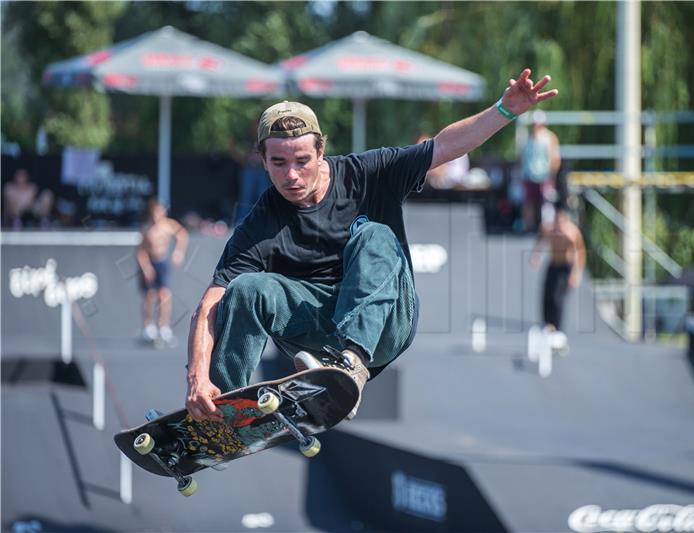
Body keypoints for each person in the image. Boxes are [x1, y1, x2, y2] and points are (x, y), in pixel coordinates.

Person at [185, 68, 558, 422]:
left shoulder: (368, 173)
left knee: (374, 235)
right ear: (263, 160)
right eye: (279, 163)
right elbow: (210, 304)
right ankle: (224, 407)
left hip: (387, 320)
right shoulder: (262, 222)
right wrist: (197, 378)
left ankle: (350, 364)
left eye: (302, 161)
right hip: (319, 333)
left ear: (321, 152)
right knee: (247, 289)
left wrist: (505, 110)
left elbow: (444, 147)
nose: (292, 176)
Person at [529, 206, 585, 347]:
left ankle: (557, 328)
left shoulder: (571, 233)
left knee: (557, 298)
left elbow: (580, 253)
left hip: (565, 268)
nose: (558, 225)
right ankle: (547, 324)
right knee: (546, 295)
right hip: (552, 265)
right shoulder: (550, 229)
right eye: (556, 221)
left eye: (561, 222)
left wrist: (576, 273)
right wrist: (536, 254)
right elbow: (540, 239)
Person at [137, 198, 188, 345]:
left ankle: (163, 326)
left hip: (162, 263)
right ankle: (148, 326)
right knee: (150, 295)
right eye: (155, 213)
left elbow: (182, 235)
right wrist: (146, 267)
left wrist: (179, 252)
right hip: (150, 263)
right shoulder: (147, 229)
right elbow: (141, 251)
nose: (157, 217)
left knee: (164, 294)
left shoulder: (168, 225)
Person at [520, 110, 561, 232]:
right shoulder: (528, 138)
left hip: (545, 175)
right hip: (529, 175)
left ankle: (547, 228)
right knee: (529, 202)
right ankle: (529, 226)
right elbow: (522, 157)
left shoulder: (550, 138)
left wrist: (552, 174)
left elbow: (555, 157)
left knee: (547, 202)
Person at [228, 120, 271, 225]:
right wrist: (244, 159)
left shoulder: (266, 138)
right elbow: (236, 152)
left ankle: (264, 220)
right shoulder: (246, 138)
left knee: (263, 194)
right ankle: (242, 221)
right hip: (248, 169)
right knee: (246, 196)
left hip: (262, 170)